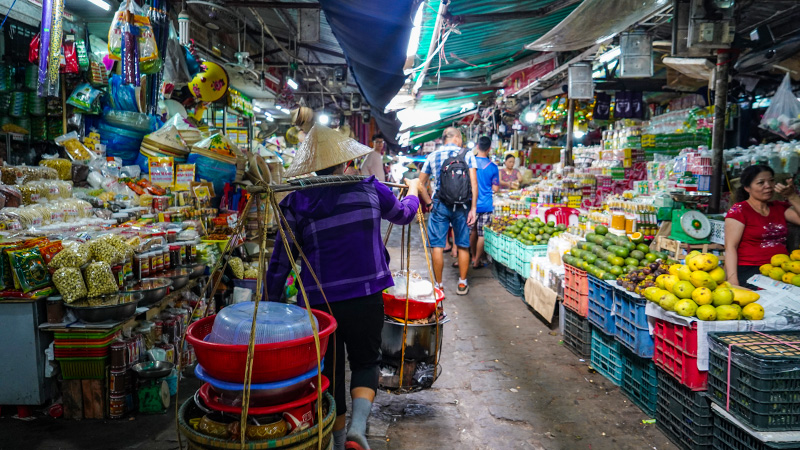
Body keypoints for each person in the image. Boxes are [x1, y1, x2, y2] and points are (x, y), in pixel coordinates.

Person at [266, 124, 420, 450]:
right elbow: (403, 214)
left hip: (321, 305)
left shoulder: (295, 202)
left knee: (330, 371)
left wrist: (270, 302)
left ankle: (337, 443)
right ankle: (358, 429)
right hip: (366, 296)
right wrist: (415, 193)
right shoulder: (369, 189)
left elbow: (281, 262)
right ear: (344, 162)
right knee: (366, 362)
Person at [417, 127, 478, 295]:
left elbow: (419, 184)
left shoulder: (433, 156)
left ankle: (438, 286)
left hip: (440, 204)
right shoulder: (468, 154)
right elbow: (473, 183)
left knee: (437, 245)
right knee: (463, 245)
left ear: (444, 139)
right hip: (463, 205)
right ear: (457, 138)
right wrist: (473, 208)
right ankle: (462, 283)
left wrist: (429, 203)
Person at [724, 164, 800, 289]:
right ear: (747, 188)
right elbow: (731, 247)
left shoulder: (779, 207)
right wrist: (733, 281)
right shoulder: (739, 210)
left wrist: (792, 196)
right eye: (761, 182)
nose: (768, 186)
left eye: (771, 181)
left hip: (781, 269)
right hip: (751, 271)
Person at [470, 136, 499, 269]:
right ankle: (477, 262)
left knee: (472, 231)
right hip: (486, 204)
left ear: (477, 146)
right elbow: (495, 188)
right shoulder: (493, 167)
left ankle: (473, 256)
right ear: (489, 149)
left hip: (471, 204)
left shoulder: (470, 163)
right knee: (482, 233)